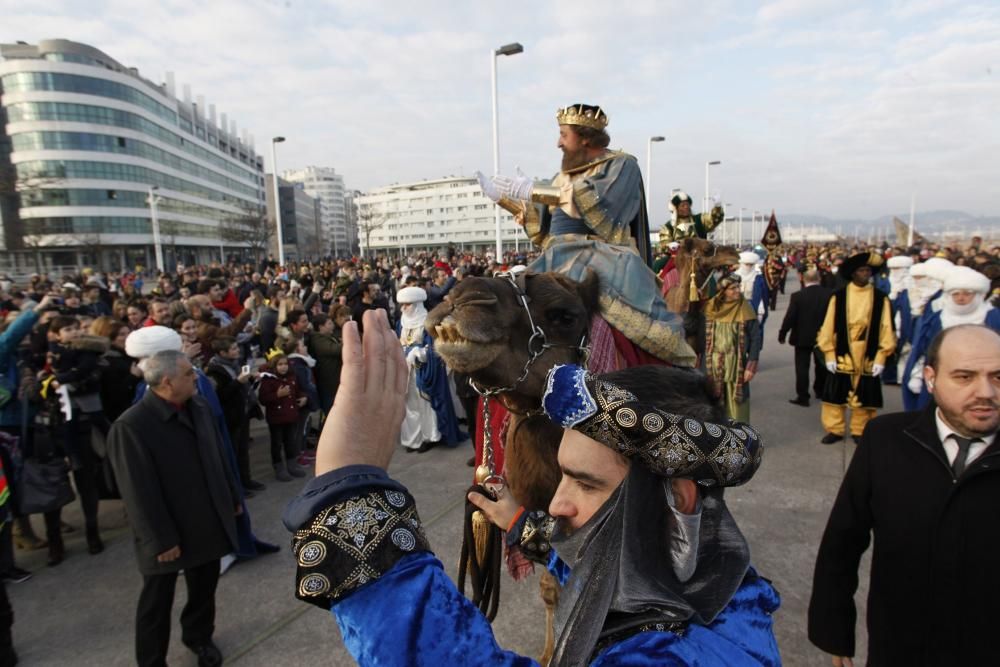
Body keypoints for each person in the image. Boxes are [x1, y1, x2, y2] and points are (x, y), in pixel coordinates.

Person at [282, 310, 780, 666]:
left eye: (586, 483)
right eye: (564, 474)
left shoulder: (673, 657)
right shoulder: (706, 576)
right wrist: (522, 525)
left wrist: (348, 490)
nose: (559, 502)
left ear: (678, 498)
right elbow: (607, 559)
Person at [809, 324, 1000, 666]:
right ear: (931, 377)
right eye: (964, 377)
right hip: (900, 643)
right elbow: (843, 539)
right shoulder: (887, 440)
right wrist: (835, 632)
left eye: (998, 377)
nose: (985, 391)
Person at [477, 103, 694, 367]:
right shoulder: (562, 176)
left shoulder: (622, 165)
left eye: (563, 134)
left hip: (602, 258)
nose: (558, 142)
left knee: (626, 327)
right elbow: (546, 231)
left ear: (585, 138)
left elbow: (599, 204)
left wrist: (535, 190)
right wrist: (505, 200)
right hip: (557, 258)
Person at [108, 349, 241, 667]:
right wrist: (160, 539)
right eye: (188, 374)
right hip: (166, 529)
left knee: (204, 585)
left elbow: (219, 455)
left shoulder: (198, 406)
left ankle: (198, 636)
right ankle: (151, 660)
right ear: (166, 382)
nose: (196, 377)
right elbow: (137, 492)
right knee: (157, 599)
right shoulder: (132, 426)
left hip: (205, 519)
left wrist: (231, 497)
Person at [816, 252, 896, 444]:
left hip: (867, 353)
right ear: (853, 273)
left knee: (865, 395)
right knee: (835, 395)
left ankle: (860, 430)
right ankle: (835, 429)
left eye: (868, 270)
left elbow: (887, 328)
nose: (866, 273)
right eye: (862, 270)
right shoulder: (839, 296)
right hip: (843, 352)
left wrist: (881, 357)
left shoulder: (880, 298)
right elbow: (828, 326)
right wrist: (828, 353)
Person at [903, 266, 999, 411]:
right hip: (943, 377)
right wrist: (916, 375)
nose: (961, 298)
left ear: (978, 294)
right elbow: (924, 349)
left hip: (984, 379)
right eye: (956, 294)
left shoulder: (993, 317)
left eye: (967, 294)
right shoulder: (937, 318)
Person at [395, 286, 463, 453]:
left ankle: (429, 436)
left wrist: (420, 353)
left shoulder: (428, 322)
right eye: (402, 305)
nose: (404, 308)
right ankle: (413, 439)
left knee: (425, 404)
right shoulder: (400, 323)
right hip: (406, 369)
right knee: (410, 405)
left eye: (408, 304)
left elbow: (435, 347)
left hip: (424, 368)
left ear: (417, 304)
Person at [205, 336, 264, 497]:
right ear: (222, 353)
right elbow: (220, 396)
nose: (237, 351)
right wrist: (238, 382)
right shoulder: (214, 370)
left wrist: (251, 379)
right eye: (233, 349)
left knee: (243, 451)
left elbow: (242, 388)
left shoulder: (235, 364)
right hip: (230, 418)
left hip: (242, 413)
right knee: (233, 453)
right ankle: (237, 487)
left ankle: (246, 480)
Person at [702, 273, 762, 421]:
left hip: (737, 365)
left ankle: (740, 437)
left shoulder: (745, 308)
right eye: (733, 288)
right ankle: (719, 435)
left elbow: (756, 338)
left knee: (738, 404)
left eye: (738, 287)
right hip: (714, 365)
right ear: (723, 291)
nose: (737, 291)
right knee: (714, 402)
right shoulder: (711, 308)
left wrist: (750, 366)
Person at [778, 269, 832, 407]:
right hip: (824, 337)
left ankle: (803, 396)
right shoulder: (829, 294)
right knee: (822, 366)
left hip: (802, 337)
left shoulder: (798, 296)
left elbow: (790, 317)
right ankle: (821, 391)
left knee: (802, 367)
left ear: (803, 279)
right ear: (819, 278)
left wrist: (783, 333)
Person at [257, 350, 307, 481]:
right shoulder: (268, 380)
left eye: (285, 364)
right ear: (274, 366)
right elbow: (263, 399)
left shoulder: (292, 377)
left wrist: (303, 397)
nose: (283, 367)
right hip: (276, 419)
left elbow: (298, 390)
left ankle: (292, 464)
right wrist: (277, 395)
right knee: (277, 443)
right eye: (280, 364)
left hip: (291, 416)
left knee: (290, 441)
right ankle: (279, 467)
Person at [881, 255, 914, 385]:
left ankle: (899, 376)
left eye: (898, 269)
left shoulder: (910, 287)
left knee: (903, 350)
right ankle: (888, 375)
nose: (895, 272)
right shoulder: (888, 283)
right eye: (893, 269)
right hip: (888, 321)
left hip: (903, 322)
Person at [659, 191, 725, 242]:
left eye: (687, 205)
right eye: (683, 205)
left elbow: (714, 219)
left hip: (700, 255)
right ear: (676, 208)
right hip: (678, 256)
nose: (686, 207)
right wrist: (670, 246)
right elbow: (664, 244)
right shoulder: (668, 227)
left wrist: (717, 207)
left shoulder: (700, 219)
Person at [735, 252, 769, 326]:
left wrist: (762, 310)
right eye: (746, 264)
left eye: (751, 265)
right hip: (736, 309)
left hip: (753, 308)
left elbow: (764, 296)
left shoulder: (759, 278)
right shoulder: (733, 277)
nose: (749, 267)